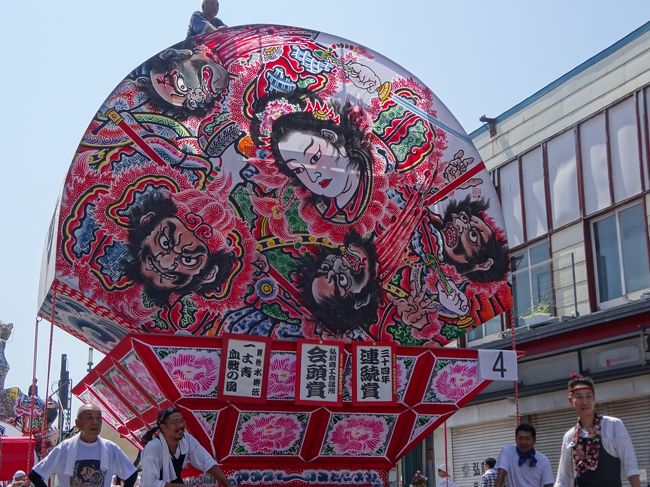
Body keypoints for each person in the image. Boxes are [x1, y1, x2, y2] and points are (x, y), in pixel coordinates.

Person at [554, 376, 640, 487]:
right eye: (579, 397)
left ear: (594, 399)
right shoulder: (569, 436)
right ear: (571, 401)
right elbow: (563, 478)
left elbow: (631, 467)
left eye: (588, 396)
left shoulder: (613, 425)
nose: (584, 402)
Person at [28, 403, 137, 487]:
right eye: (90, 417)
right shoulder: (65, 448)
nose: (95, 422)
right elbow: (35, 475)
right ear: (78, 423)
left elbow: (131, 474)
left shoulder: (111, 448)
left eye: (98, 418)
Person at [140, 407, 235, 486]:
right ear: (163, 427)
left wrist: (227, 484)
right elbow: (150, 484)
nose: (181, 425)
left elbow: (207, 462)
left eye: (182, 421)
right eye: (175, 422)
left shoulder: (187, 440)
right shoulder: (153, 448)